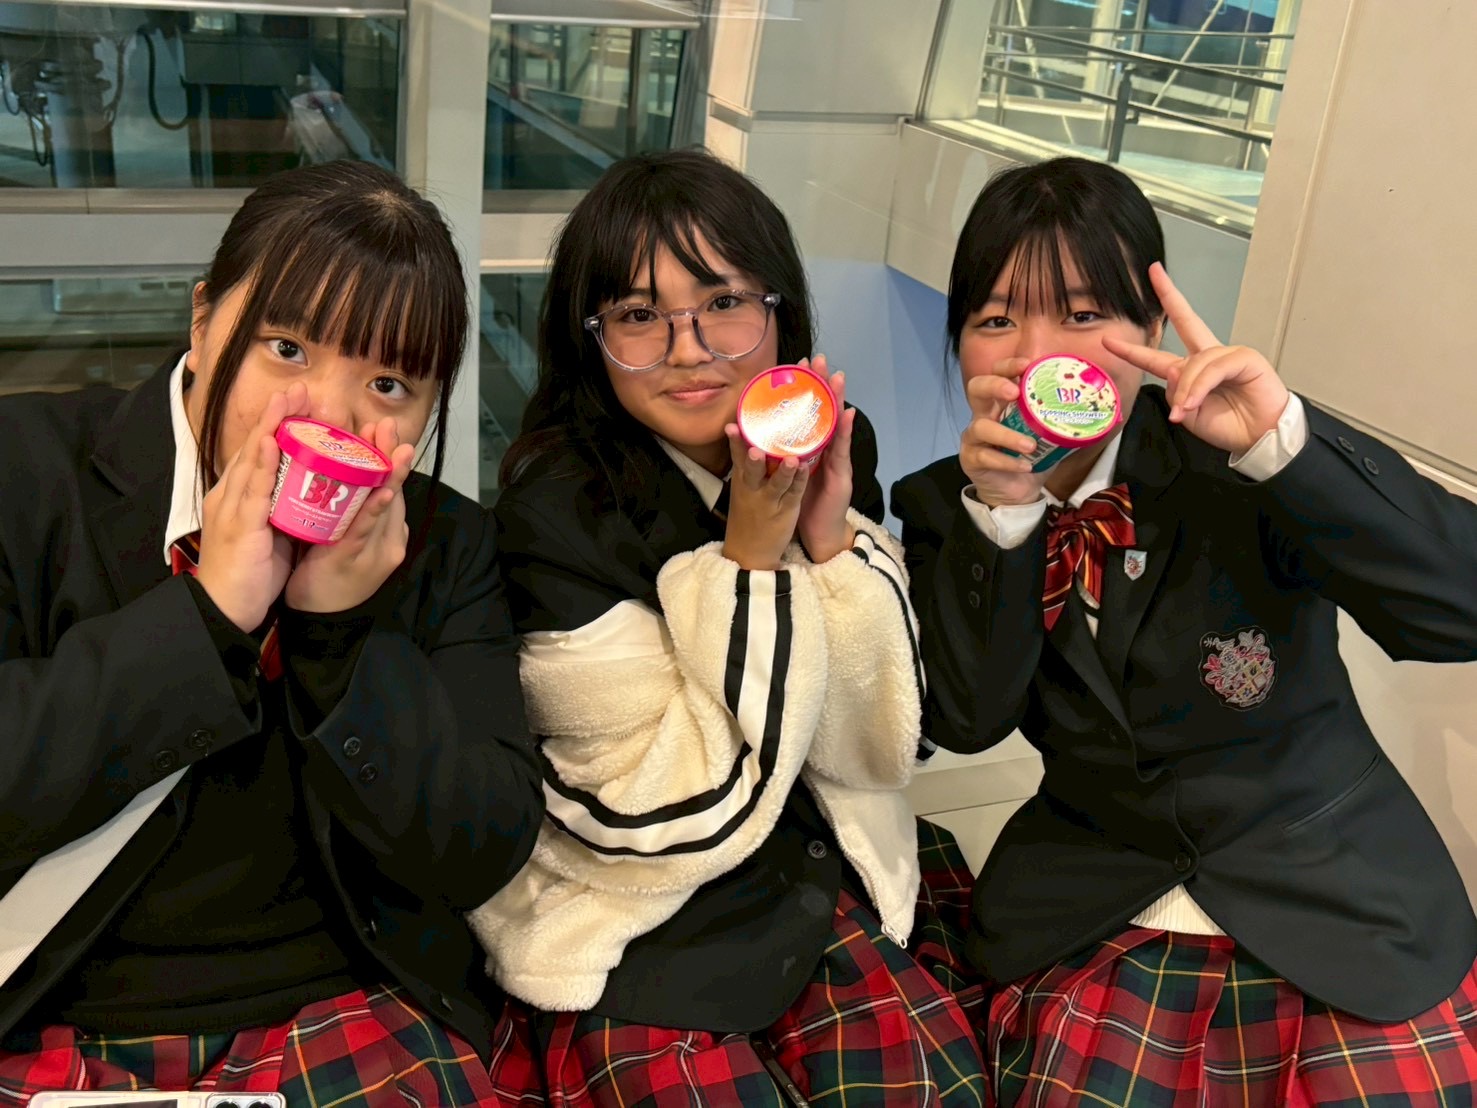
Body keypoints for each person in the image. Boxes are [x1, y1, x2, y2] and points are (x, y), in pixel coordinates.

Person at [891, 154, 1477, 1106]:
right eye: (995, 320)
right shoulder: (941, 504)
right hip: (1095, 898)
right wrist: (1004, 520)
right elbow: (967, 719)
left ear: (1151, 331)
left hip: (1333, 895)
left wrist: (1282, 442)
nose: (1035, 352)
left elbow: (1458, 610)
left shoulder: (1239, 462)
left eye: (1082, 314)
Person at [0, 160, 543, 1106]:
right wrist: (210, 613)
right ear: (204, 321)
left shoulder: (446, 544)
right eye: (287, 349)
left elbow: (480, 848)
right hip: (54, 1006)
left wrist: (340, 636)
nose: (328, 415)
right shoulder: (26, 472)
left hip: (345, 1005)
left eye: (388, 383)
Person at [473, 147, 988, 1106]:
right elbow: (659, 807)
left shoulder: (833, 443)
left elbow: (877, 745)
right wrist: (750, 560)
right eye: (638, 316)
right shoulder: (552, 513)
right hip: (645, 916)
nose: (689, 349)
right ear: (590, 340)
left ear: (780, 312)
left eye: (723, 302)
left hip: (818, 870)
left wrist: (830, 543)